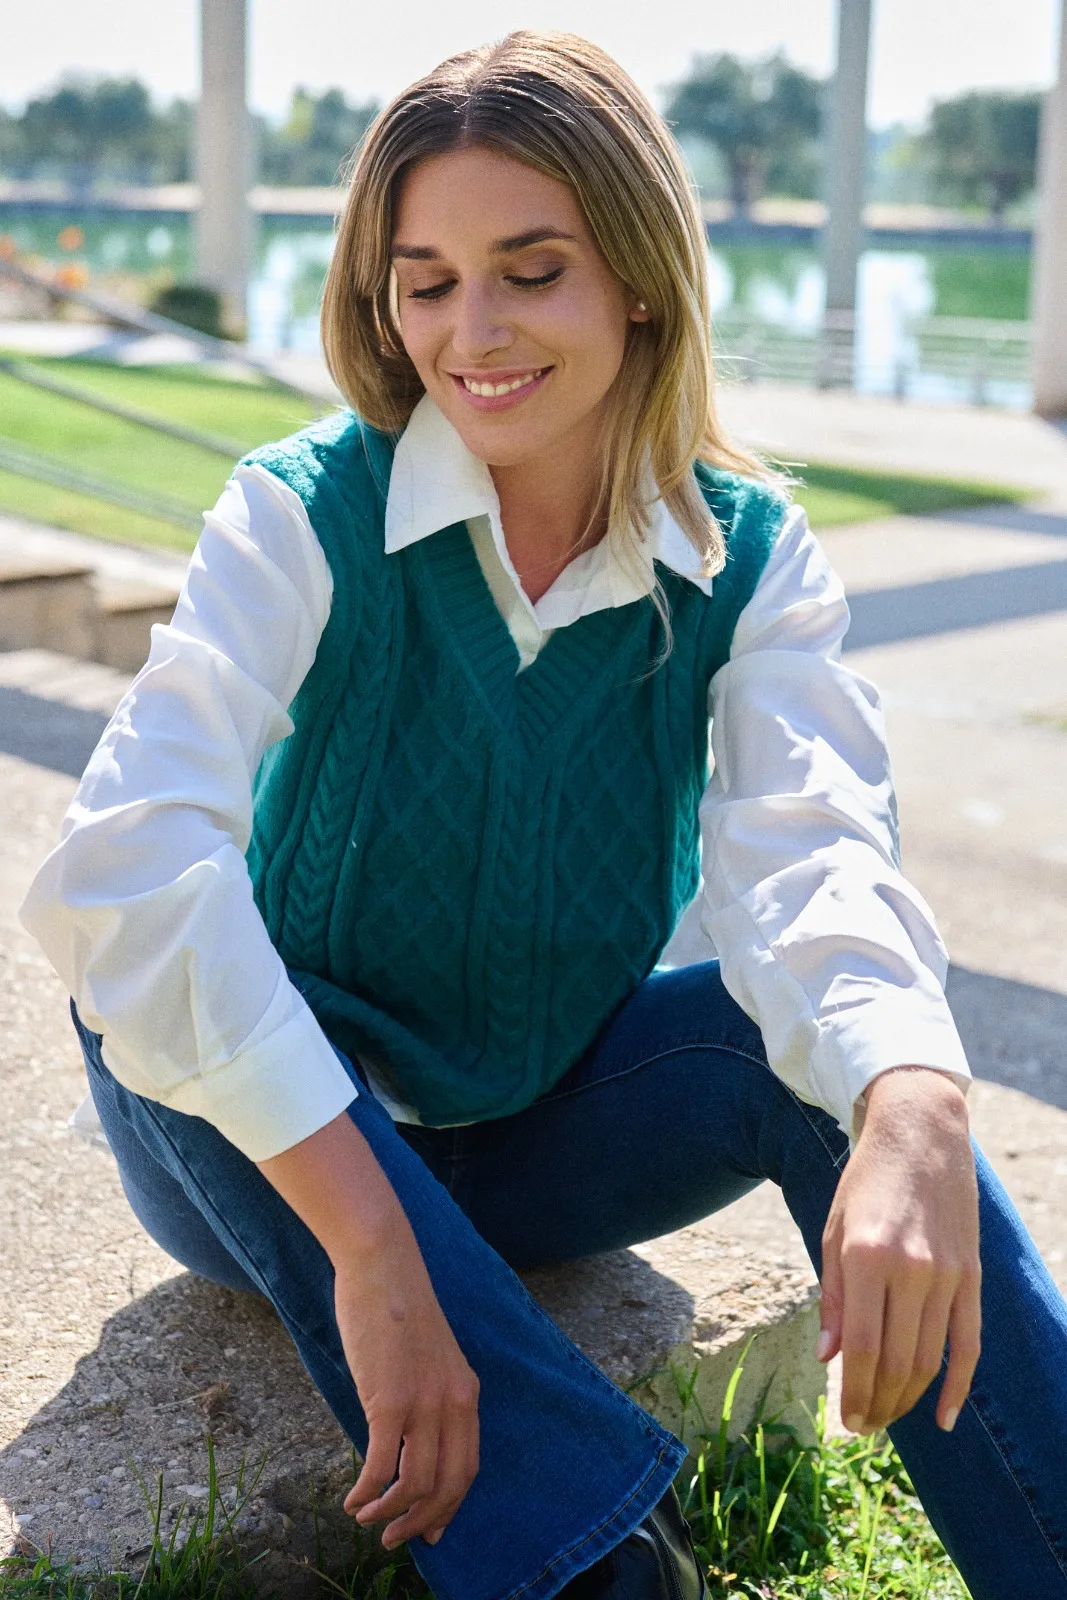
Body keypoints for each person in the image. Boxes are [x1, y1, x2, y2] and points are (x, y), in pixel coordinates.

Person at [20, 31, 1067, 1600]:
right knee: (166, 979)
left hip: (540, 1119)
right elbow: (123, 872)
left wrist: (913, 1101)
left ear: (636, 278)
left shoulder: (752, 557)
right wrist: (376, 1252)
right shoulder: (304, 510)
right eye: (425, 279)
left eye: (531, 269)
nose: (472, 331)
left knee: (841, 1075)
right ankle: (603, 1567)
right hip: (267, 1154)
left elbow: (814, 855)